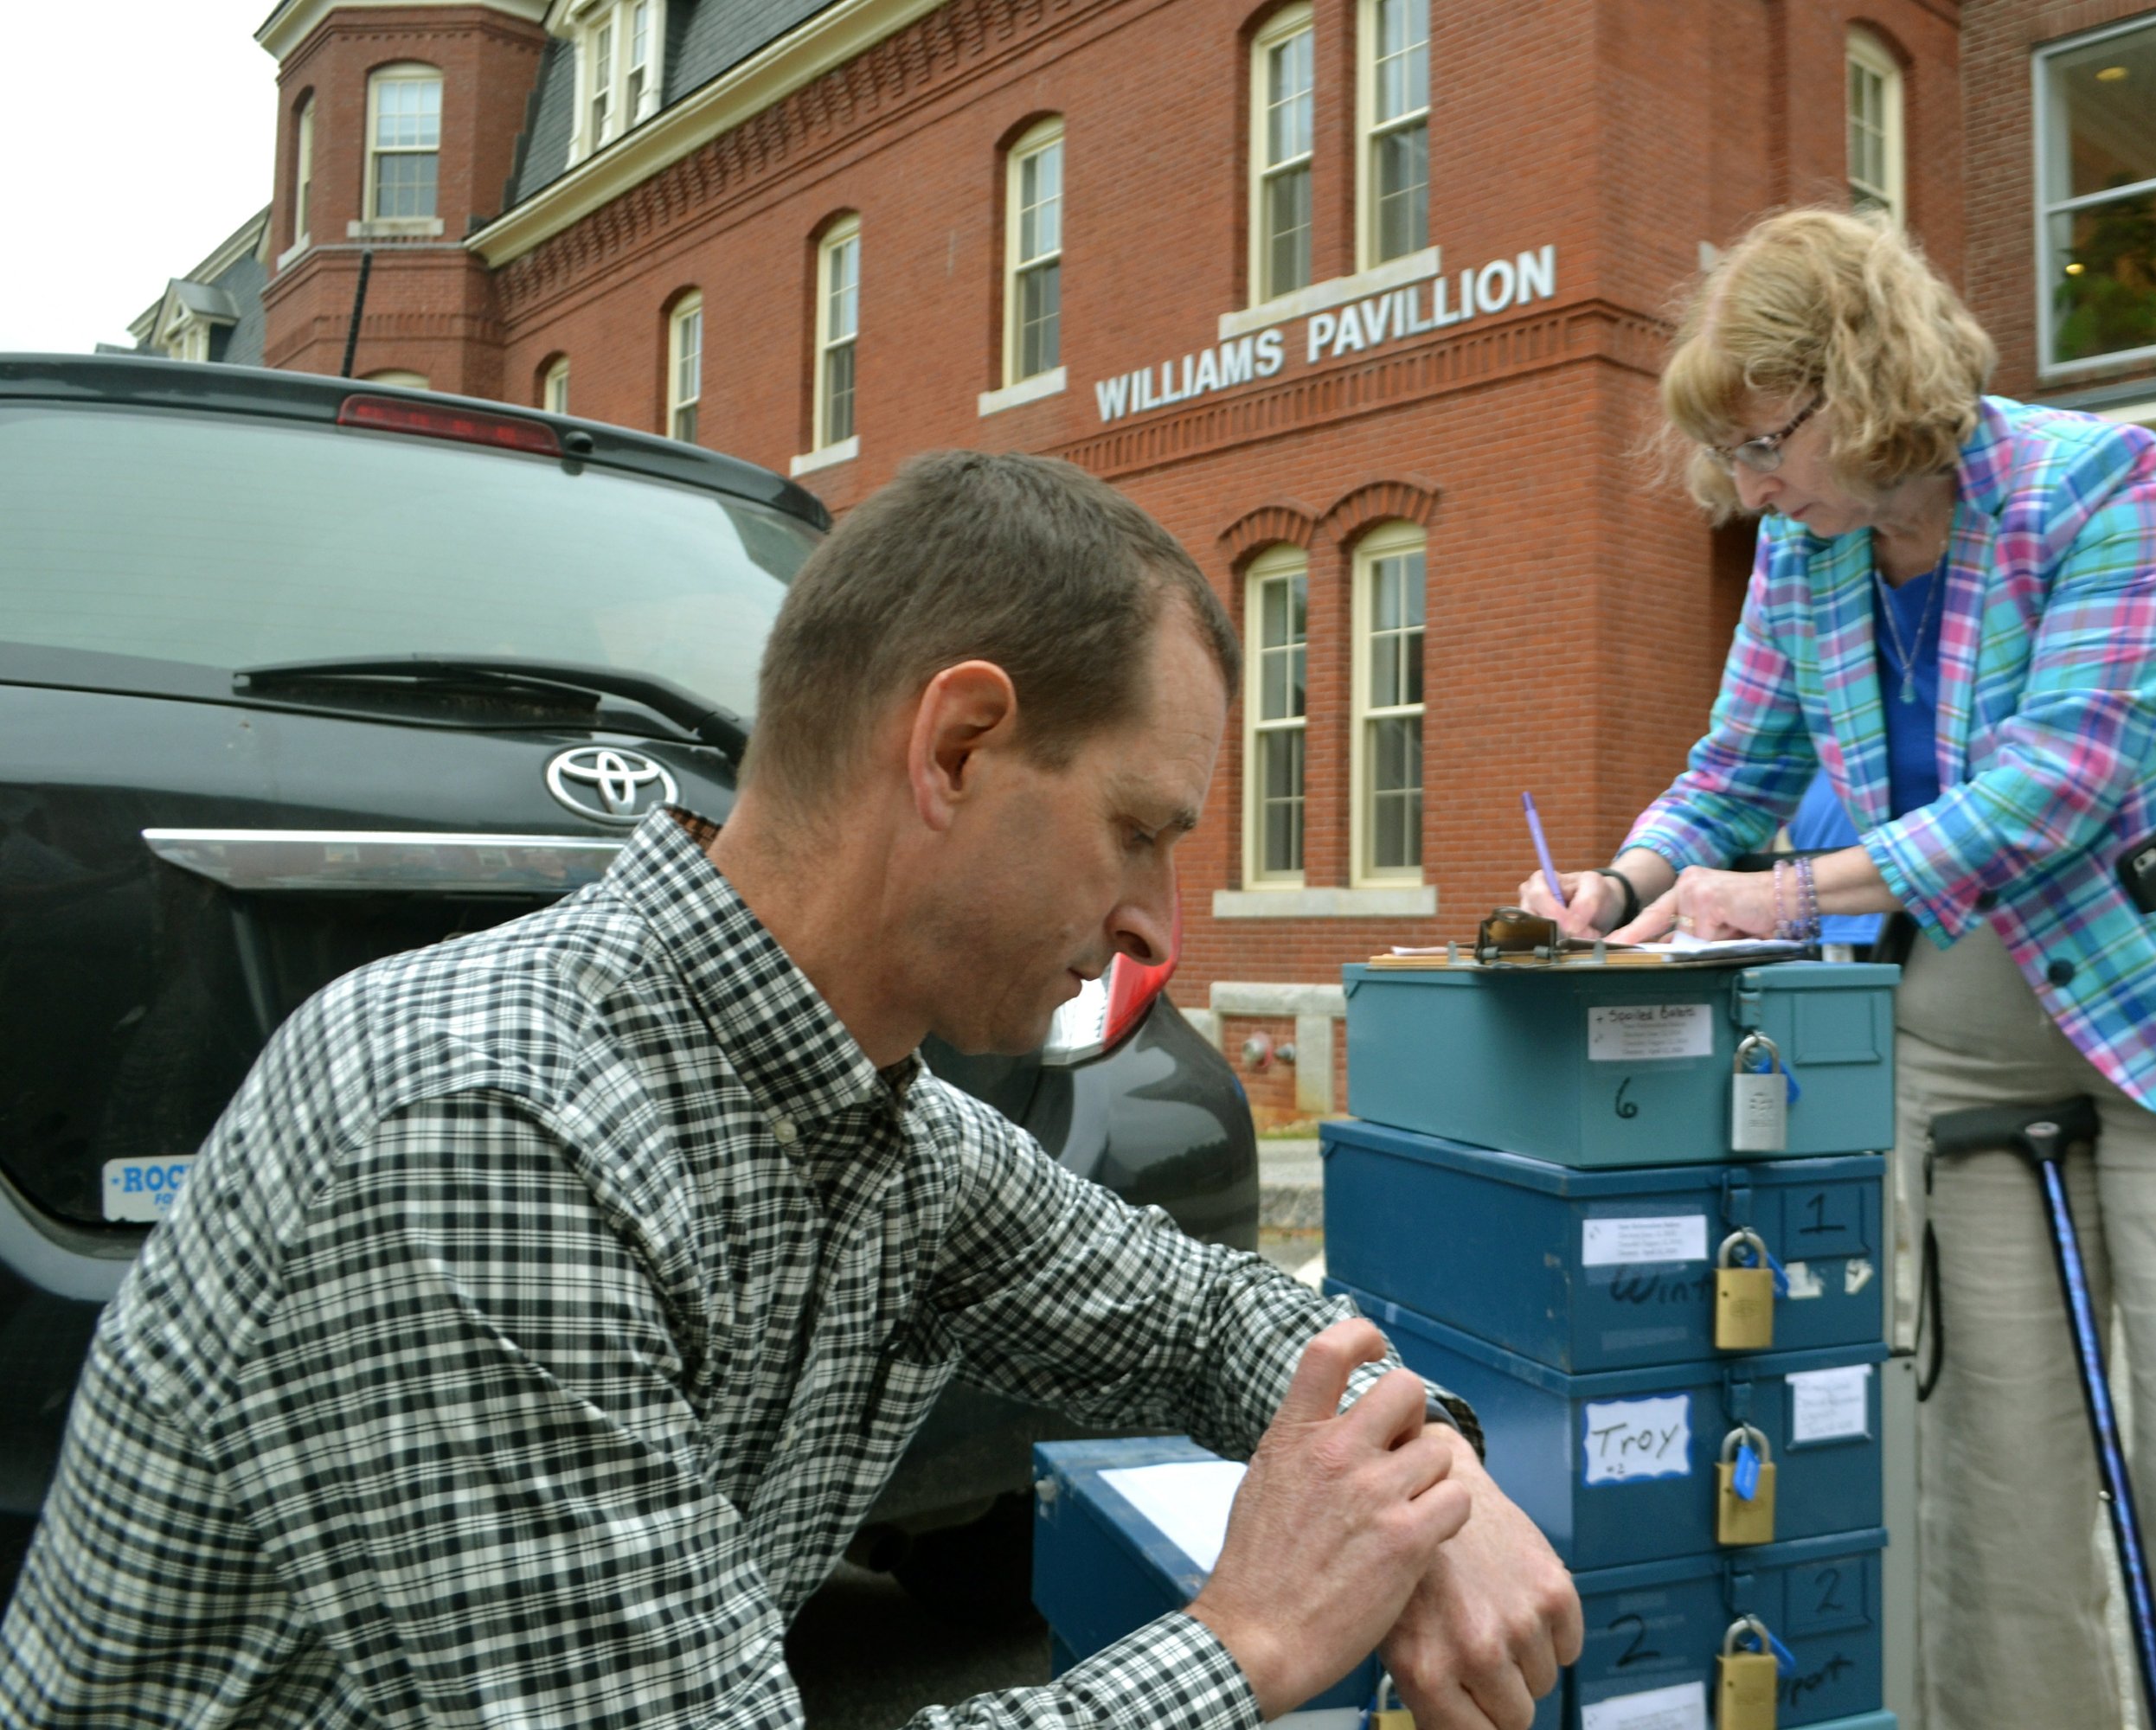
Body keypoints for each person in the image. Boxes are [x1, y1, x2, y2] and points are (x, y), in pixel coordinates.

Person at [0, 452, 1582, 1730]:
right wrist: (1249, 1640)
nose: (1160, 926)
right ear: (955, 748)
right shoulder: (488, 1129)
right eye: (1141, 831)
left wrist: (1423, 1478)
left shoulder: (885, 1129)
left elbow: (1208, 1314)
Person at [1518, 209, 2156, 1730]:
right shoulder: (1804, 550)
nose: (1747, 487)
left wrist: (1779, 890)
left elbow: (2060, 785)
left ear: (1858, 389)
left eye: (1763, 442)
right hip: (1978, 1025)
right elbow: (1735, 768)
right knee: (1994, 1469)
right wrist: (1624, 881)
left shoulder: (2097, 483)